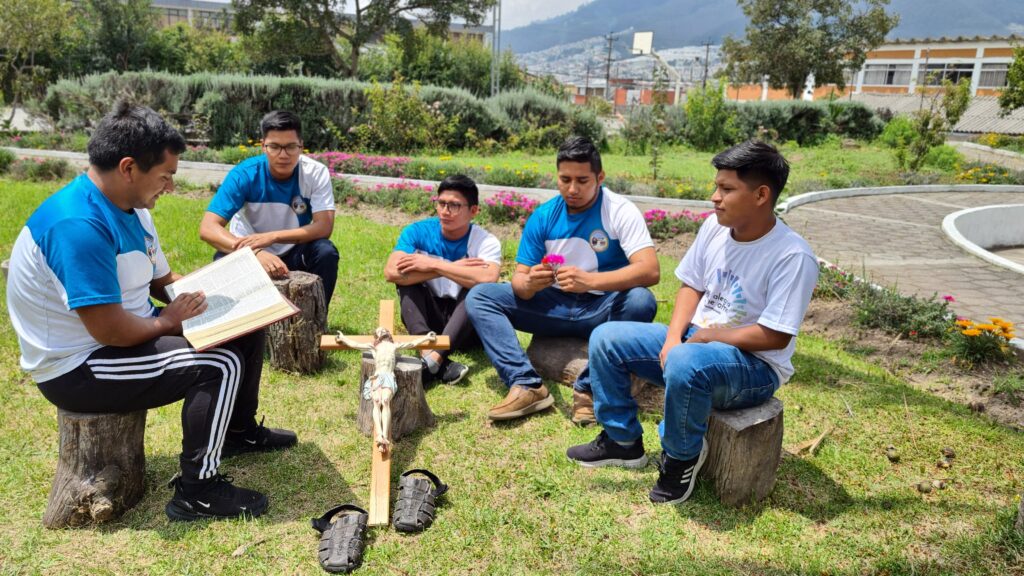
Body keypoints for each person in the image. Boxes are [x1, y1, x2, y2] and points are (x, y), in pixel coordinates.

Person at [6, 102, 296, 522]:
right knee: (218, 363)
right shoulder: (78, 225)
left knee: (244, 328)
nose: (171, 187)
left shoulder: (132, 208)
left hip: (127, 331)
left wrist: (230, 295)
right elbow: (109, 330)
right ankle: (199, 491)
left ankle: (238, 432)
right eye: (166, 176)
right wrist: (169, 321)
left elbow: (162, 282)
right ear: (128, 168)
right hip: (80, 365)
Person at [566, 140, 818, 505]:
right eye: (716, 186)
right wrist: (672, 339)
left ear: (762, 194)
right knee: (607, 338)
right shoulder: (715, 228)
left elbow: (776, 335)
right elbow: (691, 286)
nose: (714, 197)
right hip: (695, 342)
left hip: (754, 366)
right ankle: (622, 442)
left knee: (686, 361)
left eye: (727, 189)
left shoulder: (792, 255)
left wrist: (710, 337)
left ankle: (680, 457)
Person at [466, 136, 660, 423]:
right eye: (565, 179)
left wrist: (591, 282)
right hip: (553, 307)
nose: (572, 189)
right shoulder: (544, 216)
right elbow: (519, 280)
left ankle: (588, 391)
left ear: (600, 177)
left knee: (641, 300)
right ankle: (526, 385)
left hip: (604, 308)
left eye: (582, 180)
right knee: (480, 296)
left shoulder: (619, 210)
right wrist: (529, 283)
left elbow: (650, 270)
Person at [199, 110, 339, 306]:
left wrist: (272, 237)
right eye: (274, 146)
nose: (283, 155)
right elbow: (208, 228)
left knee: (325, 252)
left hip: (294, 251)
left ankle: (316, 321)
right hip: (246, 250)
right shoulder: (244, 174)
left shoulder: (315, 173)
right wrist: (254, 253)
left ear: (301, 147)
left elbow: (324, 226)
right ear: (263, 146)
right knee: (223, 259)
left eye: (290, 147)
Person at [384, 175, 501, 385]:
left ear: (473, 211)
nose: (445, 211)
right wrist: (450, 269)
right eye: (442, 203)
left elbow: (489, 277)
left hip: (466, 325)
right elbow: (391, 272)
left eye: (455, 206)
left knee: (477, 290)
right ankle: (432, 357)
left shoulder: (485, 241)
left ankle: (431, 360)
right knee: (406, 283)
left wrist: (434, 265)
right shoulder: (417, 231)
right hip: (429, 318)